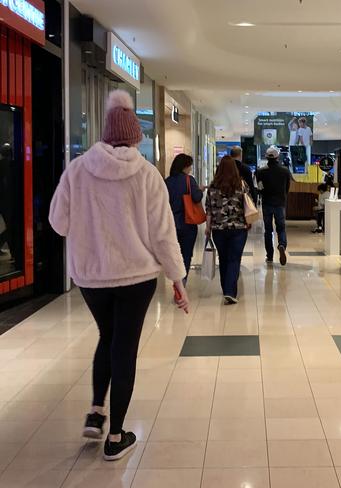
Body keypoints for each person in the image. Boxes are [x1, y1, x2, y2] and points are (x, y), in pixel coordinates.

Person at [49, 90, 189, 461]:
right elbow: (163, 233)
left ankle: (96, 411)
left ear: (105, 133)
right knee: (124, 347)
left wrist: (89, 227)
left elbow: (58, 222)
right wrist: (177, 279)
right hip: (136, 276)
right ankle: (115, 437)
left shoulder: (77, 170)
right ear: (136, 137)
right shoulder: (146, 175)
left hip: (91, 277)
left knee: (106, 336)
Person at [205, 156, 250, 304]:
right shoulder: (241, 185)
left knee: (223, 259)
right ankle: (230, 291)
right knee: (234, 259)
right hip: (238, 228)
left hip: (218, 229)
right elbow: (248, 206)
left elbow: (209, 210)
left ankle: (226, 290)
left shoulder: (212, 187)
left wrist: (207, 227)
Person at [165, 154, 205, 285]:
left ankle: (175, 279)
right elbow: (196, 198)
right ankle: (182, 281)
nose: (191, 169)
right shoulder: (189, 180)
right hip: (187, 223)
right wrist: (200, 190)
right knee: (186, 254)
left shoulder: (167, 181)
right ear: (185, 166)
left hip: (170, 224)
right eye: (190, 166)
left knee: (174, 255)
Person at [256, 146, 292, 265]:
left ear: (266, 157)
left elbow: (259, 188)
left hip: (267, 203)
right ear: (277, 157)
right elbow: (287, 188)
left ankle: (270, 256)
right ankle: (281, 245)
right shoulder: (285, 171)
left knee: (268, 230)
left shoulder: (260, 172)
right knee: (281, 228)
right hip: (280, 203)